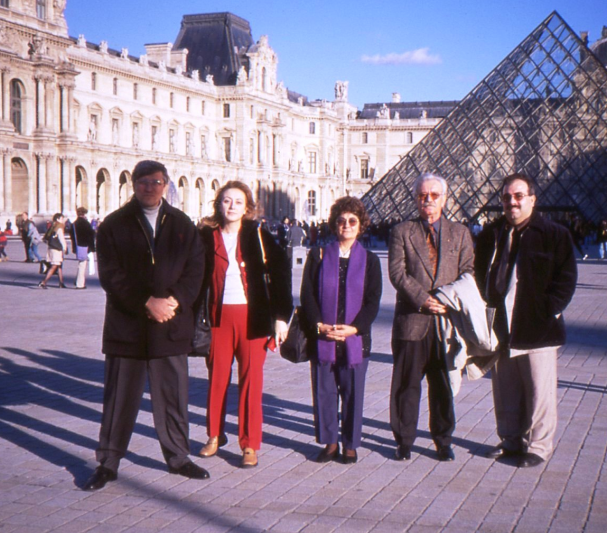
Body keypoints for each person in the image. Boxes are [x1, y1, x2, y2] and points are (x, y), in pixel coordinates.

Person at [82, 160, 209, 492]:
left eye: (155, 182)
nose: (149, 188)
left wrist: (173, 301)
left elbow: (196, 270)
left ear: (165, 185)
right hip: (129, 325)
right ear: (133, 185)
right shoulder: (114, 224)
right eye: (143, 182)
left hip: (170, 324)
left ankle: (178, 456)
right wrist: (146, 302)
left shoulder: (182, 224)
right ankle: (108, 462)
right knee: (119, 399)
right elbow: (111, 274)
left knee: (173, 397)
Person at [474, 173, 577, 468]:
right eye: (506, 197)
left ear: (533, 199)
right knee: (505, 390)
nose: (511, 202)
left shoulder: (555, 234)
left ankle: (538, 447)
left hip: (538, 328)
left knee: (539, 392)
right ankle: (510, 441)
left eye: (518, 196)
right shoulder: (491, 234)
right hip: (501, 325)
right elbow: (480, 275)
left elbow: (567, 279)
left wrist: (549, 311)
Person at [198, 181, 292, 468]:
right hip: (218, 317)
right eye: (227, 201)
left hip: (253, 317)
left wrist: (280, 317)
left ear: (247, 207)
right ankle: (214, 434)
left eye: (238, 202)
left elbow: (281, 277)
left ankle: (250, 443)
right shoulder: (205, 237)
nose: (232, 207)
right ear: (219, 204)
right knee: (217, 378)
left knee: (251, 381)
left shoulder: (260, 236)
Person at [388, 172, 474, 462]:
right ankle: (404, 441)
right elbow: (397, 273)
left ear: (445, 199)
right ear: (415, 198)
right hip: (412, 319)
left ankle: (443, 440)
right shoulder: (402, 231)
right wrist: (424, 299)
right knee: (406, 386)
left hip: (445, 323)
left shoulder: (460, 232)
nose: (428, 200)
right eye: (423, 195)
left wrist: (443, 300)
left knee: (443, 387)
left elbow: (468, 272)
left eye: (434, 195)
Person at [300, 197, 382, 464]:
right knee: (324, 391)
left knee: (353, 392)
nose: (346, 225)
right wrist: (318, 325)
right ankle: (330, 442)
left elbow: (373, 300)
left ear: (361, 225)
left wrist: (354, 328)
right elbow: (307, 295)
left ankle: (350, 444)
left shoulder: (370, 260)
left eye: (352, 221)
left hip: (355, 337)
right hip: (323, 335)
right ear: (334, 225)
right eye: (341, 220)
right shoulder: (319, 254)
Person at [38, 214, 67, 288]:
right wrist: (65, 248)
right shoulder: (59, 227)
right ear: (57, 219)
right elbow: (61, 239)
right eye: (61, 218)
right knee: (54, 266)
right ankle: (44, 282)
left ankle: (61, 282)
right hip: (56, 249)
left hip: (51, 248)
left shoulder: (52, 226)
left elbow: (45, 238)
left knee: (59, 265)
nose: (62, 220)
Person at [71, 207, 96, 289]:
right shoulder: (86, 223)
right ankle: (80, 284)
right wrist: (92, 247)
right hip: (85, 246)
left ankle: (78, 280)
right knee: (82, 265)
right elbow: (91, 235)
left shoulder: (74, 223)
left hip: (78, 245)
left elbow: (72, 236)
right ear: (84, 214)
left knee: (80, 264)